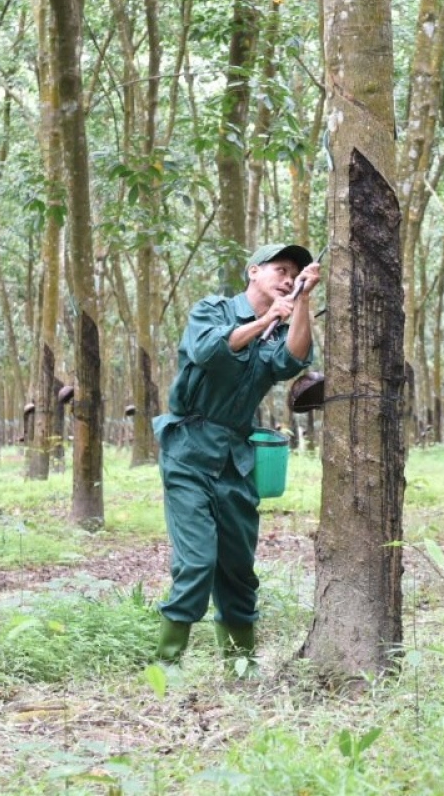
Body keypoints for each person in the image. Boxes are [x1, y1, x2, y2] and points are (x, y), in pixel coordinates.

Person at [153, 243, 320, 672]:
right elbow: (208, 351)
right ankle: (167, 666)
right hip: (189, 448)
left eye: (294, 273)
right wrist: (266, 319)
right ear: (253, 271)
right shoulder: (213, 310)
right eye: (280, 269)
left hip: (236, 456)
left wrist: (303, 301)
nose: (287, 277)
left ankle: (240, 664)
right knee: (197, 560)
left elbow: (293, 360)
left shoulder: (285, 324)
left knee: (238, 566)